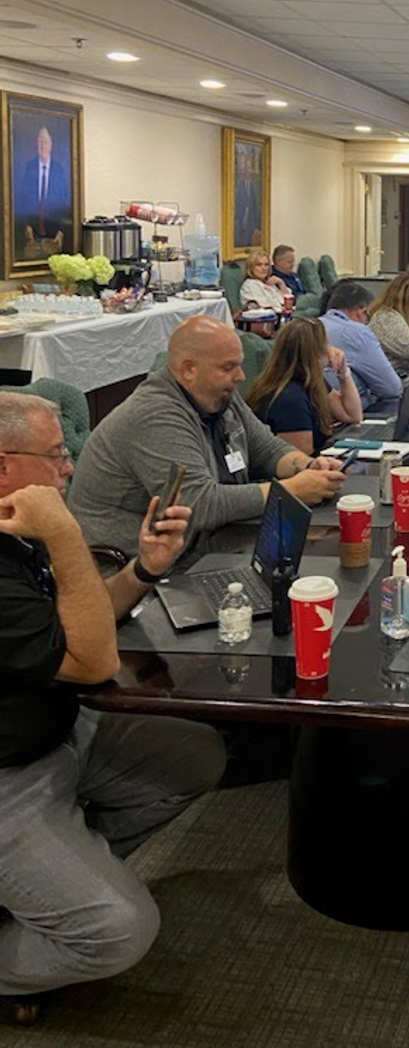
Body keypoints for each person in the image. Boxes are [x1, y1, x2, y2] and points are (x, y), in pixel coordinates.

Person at [0, 391, 225, 1008]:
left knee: (192, 754)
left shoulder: (14, 526)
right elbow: (93, 660)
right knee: (117, 931)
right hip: (8, 774)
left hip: (57, 732)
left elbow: (79, 626)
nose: (68, 467)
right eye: (55, 456)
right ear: (1, 466)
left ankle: (47, 884)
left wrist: (145, 570)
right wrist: (67, 534)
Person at [65, 316, 344, 565]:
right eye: (228, 367)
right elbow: (199, 504)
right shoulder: (154, 415)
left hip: (204, 545)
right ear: (189, 369)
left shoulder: (221, 396)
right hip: (134, 568)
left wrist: (308, 467)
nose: (241, 376)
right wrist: (292, 489)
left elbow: (267, 449)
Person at [246, 318, 362, 456]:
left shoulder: (309, 381)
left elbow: (352, 415)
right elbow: (301, 461)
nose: (330, 350)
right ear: (315, 353)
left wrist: (343, 371)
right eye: (325, 344)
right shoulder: (289, 400)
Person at [319, 279, 402, 412]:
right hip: (341, 416)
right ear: (361, 312)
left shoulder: (312, 326)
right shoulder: (358, 332)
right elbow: (392, 389)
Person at [17, 125, 71, 242]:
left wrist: (62, 230)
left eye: (45, 141)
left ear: (51, 144)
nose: (43, 145)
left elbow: (65, 201)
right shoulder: (29, 167)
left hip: (54, 232)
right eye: (39, 141)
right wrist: (26, 225)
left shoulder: (59, 169)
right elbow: (23, 199)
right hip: (33, 231)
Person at [239, 249, 287, 314]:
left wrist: (281, 283)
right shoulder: (250, 285)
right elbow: (264, 309)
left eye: (266, 265)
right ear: (251, 267)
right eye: (259, 265)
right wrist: (283, 309)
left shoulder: (270, 283)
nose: (264, 268)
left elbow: (288, 301)